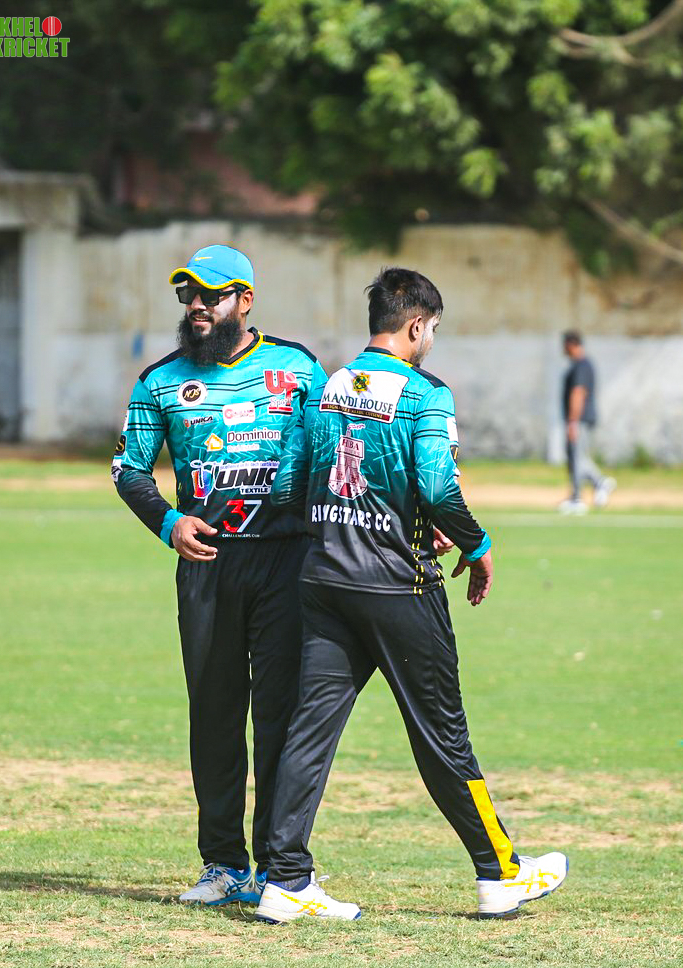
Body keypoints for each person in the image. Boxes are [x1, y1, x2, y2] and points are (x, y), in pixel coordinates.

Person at [254, 267, 568, 923]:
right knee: (442, 737)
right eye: (433, 330)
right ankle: (501, 874)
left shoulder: (329, 385)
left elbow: (289, 485)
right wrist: (476, 545)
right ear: (417, 325)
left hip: (324, 581)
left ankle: (284, 881)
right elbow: (437, 486)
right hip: (400, 587)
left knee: (308, 732)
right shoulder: (426, 394)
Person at [112, 244, 326, 906]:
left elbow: (334, 456)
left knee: (281, 717)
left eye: (212, 294)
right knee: (213, 714)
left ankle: (277, 867)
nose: (198, 306)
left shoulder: (297, 368)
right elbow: (128, 468)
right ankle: (224, 865)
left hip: (287, 561)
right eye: (189, 296)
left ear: (245, 300)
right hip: (206, 564)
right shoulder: (160, 381)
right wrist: (168, 522)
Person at [560, 331, 616, 514]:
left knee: (577, 457)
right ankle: (599, 483)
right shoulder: (581, 364)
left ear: (571, 344)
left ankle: (578, 498)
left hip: (580, 419)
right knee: (576, 456)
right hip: (581, 419)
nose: (562, 349)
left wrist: (573, 422)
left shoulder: (581, 365)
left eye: (564, 345)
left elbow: (578, 392)